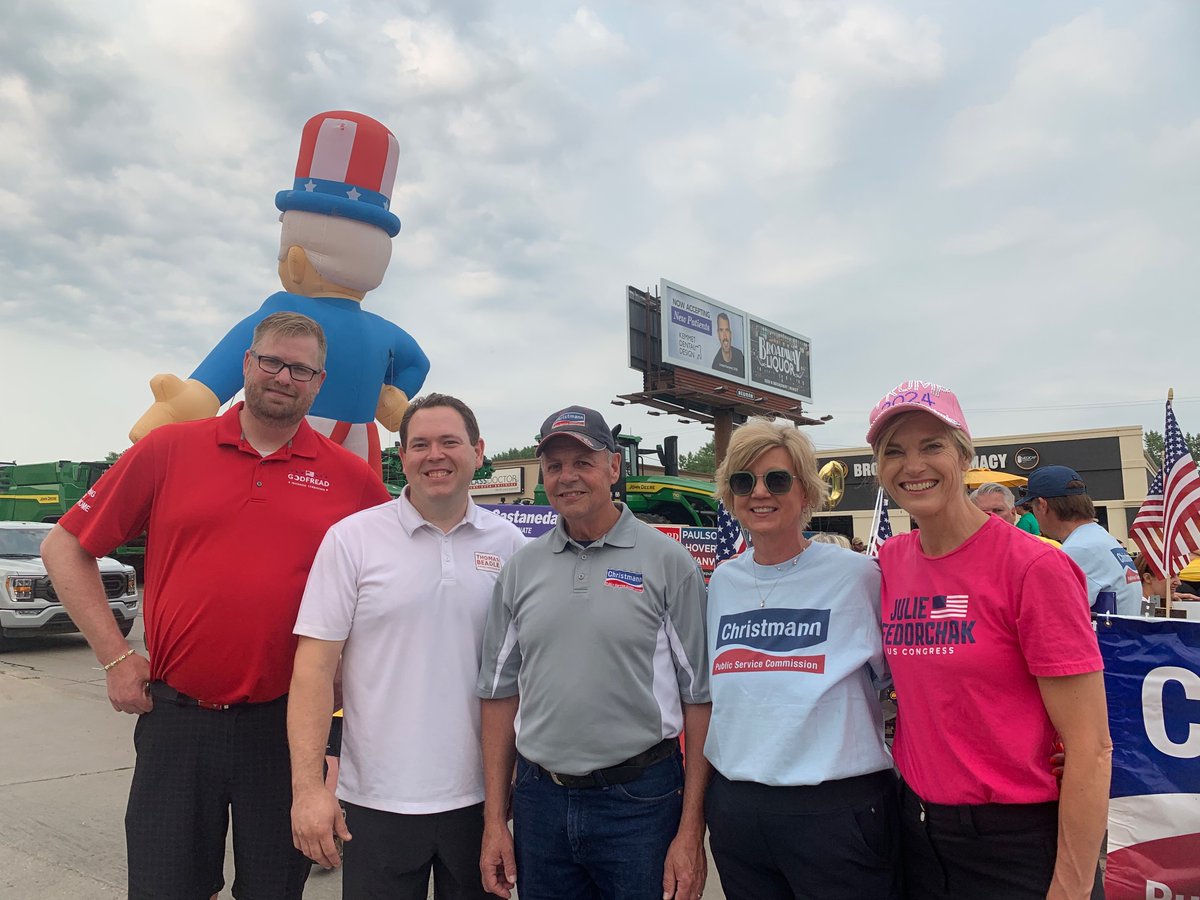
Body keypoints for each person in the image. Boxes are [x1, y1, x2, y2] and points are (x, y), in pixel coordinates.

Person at [41, 312, 392, 900]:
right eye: (272, 361)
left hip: (285, 731)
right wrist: (115, 657)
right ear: (247, 364)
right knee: (164, 887)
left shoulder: (350, 479)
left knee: (274, 890)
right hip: (177, 721)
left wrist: (339, 725)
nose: (284, 377)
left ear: (319, 382)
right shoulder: (168, 449)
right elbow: (64, 548)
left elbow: (399, 571)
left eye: (301, 369)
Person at [867, 380, 1111, 900]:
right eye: (894, 451)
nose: (913, 465)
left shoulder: (1034, 567)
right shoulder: (891, 561)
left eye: (932, 446)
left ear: (964, 456)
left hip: (1014, 843)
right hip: (917, 831)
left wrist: (1070, 887)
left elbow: (1091, 747)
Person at [288, 393, 526, 899]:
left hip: (482, 800)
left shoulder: (512, 547)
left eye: (449, 442)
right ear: (402, 455)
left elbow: (529, 672)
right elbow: (313, 670)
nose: (434, 455)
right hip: (377, 800)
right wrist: (308, 788)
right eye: (420, 444)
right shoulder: (351, 540)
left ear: (478, 451)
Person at [476, 405, 711, 900]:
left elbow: (700, 700)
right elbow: (498, 695)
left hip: (640, 803)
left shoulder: (670, 563)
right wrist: (495, 820)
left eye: (582, 462)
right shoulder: (520, 570)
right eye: (555, 465)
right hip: (541, 803)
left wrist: (692, 829)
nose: (568, 477)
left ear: (614, 467)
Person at [131, 111, 429, 472]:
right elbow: (418, 363)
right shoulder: (384, 332)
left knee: (279, 498)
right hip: (360, 448)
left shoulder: (285, 310)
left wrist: (181, 406)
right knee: (362, 506)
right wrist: (393, 395)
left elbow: (220, 374)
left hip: (289, 436)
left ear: (295, 259)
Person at [704, 418, 899, 899]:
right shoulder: (722, 582)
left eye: (776, 479)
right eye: (743, 481)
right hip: (738, 809)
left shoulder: (859, 576)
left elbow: (903, 679)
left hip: (835, 809)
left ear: (806, 491)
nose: (759, 493)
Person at [1018, 465, 1142, 615]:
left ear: (1042, 505)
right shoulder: (1098, 538)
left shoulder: (1078, 549)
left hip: (1107, 631)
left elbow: (1050, 613)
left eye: (1033, 508)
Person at [969, 482, 1061, 547]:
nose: (992, 517)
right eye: (983, 512)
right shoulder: (965, 553)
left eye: (998, 510)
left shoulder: (1048, 549)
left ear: (1013, 512)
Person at [711, 312, 745, 377]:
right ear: (718, 335)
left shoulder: (739, 355)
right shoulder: (716, 365)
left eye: (727, 330)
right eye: (721, 330)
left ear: (730, 334)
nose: (725, 336)